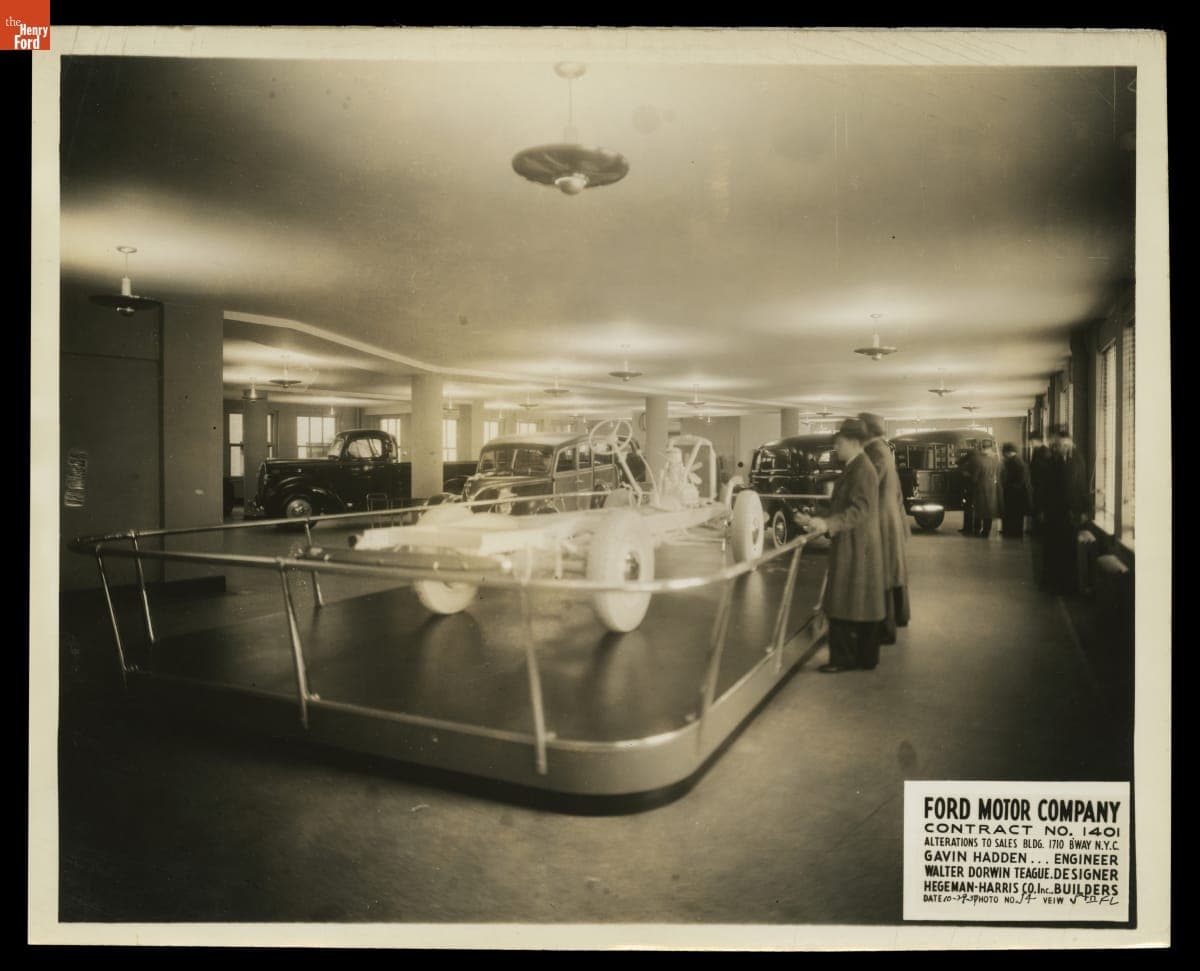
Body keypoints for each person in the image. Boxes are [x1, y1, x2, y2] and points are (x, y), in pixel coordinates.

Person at [795, 418, 886, 673]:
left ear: (854, 442)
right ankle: (864, 658)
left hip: (857, 546)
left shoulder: (862, 469)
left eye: (840, 442)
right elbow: (844, 505)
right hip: (855, 544)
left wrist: (827, 524)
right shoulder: (855, 466)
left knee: (845, 600)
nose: (836, 447)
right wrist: (817, 517)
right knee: (857, 601)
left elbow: (860, 510)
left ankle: (844, 658)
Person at [859, 413, 910, 645]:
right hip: (891, 518)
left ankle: (885, 629)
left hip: (880, 521)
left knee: (883, 574)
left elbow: (867, 486)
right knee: (894, 570)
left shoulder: (874, 452)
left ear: (867, 430)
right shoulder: (884, 450)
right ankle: (901, 615)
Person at [1040, 427, 1089, 594]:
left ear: (1069, 443)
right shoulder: (1054, 461)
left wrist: (1082, 510)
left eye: (1063, 444)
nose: (1059, 448)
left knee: (1067, 549)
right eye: (1058, 445)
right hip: (1056, 512)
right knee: (1055, 547)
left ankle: (1067, 584)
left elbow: (1079, 487)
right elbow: (1047, 487)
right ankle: (1053, 582)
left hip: (1070, 512)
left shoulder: (1077, 461)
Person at [1000, 443, 1032, 538]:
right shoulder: (1018, 462)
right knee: (1016, 516)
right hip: (1017, 494)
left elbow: (1019, 481)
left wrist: (1007, 486)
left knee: (1014, 516)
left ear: (1007, 452)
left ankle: (1012, 533)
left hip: (1015, 495)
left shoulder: (1014, 463)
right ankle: (1014, 533)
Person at [972, 443, 1003, 538]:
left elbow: (975, 477)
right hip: (992, 487)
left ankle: (977, 528)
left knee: (979, 508)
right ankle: (986, 530)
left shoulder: (980, 460)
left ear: (983, 448)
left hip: (981, 487)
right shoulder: (997, 460)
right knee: (989, 509)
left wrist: (971, 480)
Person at [1028, 435, 1053, 537]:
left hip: (1042, 486)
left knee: (1040, 509)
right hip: (1037, 485)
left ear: (1036, 440)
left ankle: (1040, 531)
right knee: (1036, 508)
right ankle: (1036, 530)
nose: (1031, 444)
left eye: (1032, 442)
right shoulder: (1037, 451)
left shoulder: (1044, 452)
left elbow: (1044, 471)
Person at [957, 447, 978, 535]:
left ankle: (968, 527)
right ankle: (975, 527)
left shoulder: (971, 459)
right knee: (974, 507)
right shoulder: (977, 458)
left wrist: (965, 474)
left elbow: (958, 462)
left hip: (970, 487)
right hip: (975, 487)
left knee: (968, 507)